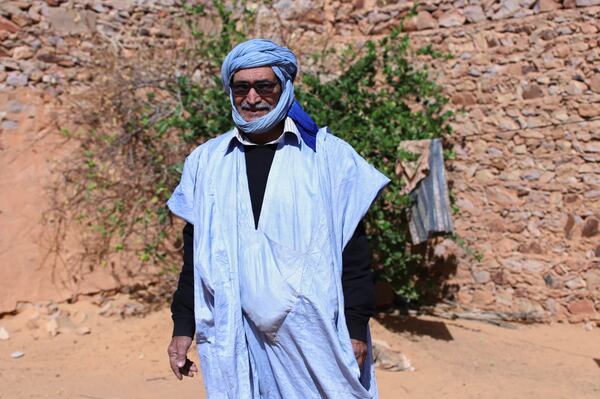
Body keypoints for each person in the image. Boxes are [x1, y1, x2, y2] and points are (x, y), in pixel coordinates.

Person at [165, 39, 389, 398]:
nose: (252, 98)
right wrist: (183, 326)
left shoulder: (327, 158)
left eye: (264, 86)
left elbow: (354, 252)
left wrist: (356, 328)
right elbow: (195, 256)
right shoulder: (206, 163)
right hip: (236, 333)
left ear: (284, 87)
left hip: (315, 338)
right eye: (241, 88)